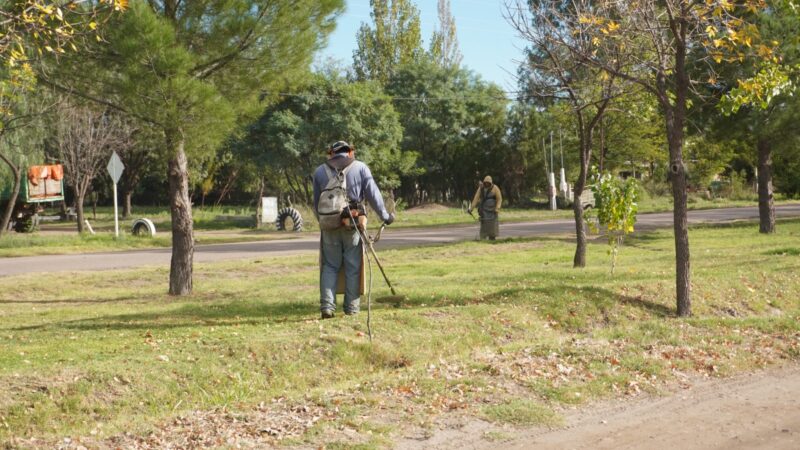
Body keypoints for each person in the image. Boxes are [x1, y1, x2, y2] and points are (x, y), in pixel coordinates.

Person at [312, 141, 394, 319]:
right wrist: (385, 216)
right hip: (352, 224)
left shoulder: (319, 171)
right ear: (350, 153)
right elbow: (373, 195)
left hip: (329, 227)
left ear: (331, 154)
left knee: (330, 266)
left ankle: (327, 307)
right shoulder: (361, 167)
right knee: (353, 267)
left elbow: (316, 203)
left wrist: (324, 222)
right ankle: (351, 309)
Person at [468, 175, 502, 240]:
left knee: (492, 226)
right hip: (484, 211)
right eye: (485, 182)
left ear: (491, 183)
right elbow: (476, 198)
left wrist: (497, 208)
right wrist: (471, 209)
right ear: (484, 182)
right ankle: (482, 239)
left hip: (493, 212)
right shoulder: (481, 188)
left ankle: (492, 238)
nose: (486, 184)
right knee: (484, 226)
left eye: (488, 182)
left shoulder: (495, 188)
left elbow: (499, 199)